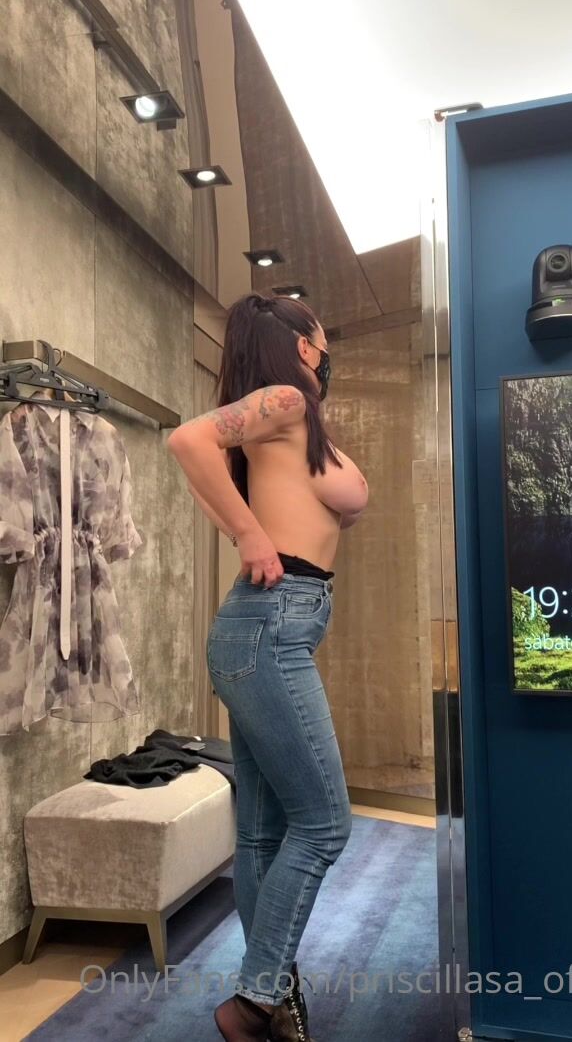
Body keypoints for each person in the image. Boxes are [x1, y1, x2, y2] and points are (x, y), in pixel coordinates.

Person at [167, 293, 369, 1041]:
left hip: (269, 628)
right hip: (268, 626)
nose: (326, 347)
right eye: (321, 336)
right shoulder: (284, 397)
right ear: (298, 344)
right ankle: (255, 1002)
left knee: (260, 833)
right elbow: (188, 440)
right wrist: (250, 535)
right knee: (324, 823)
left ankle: (273, 997)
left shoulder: (293, 419)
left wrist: (249, 526)